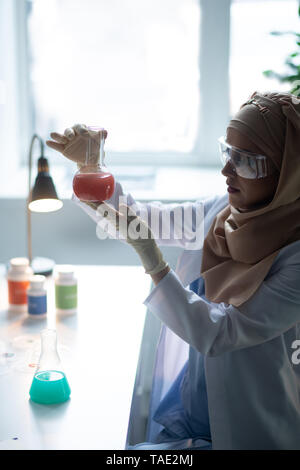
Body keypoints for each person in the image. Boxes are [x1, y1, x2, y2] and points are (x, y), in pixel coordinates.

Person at [46, 91, 300, 450]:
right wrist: (92, 169)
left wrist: (156, 264)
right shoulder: (224, 214)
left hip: (249, 432)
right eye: (227, 152)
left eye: (247, 161)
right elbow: (142, 220)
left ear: (288, 173)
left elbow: (222, 333)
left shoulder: (295, 260)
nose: (226, 169)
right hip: (195, 412)